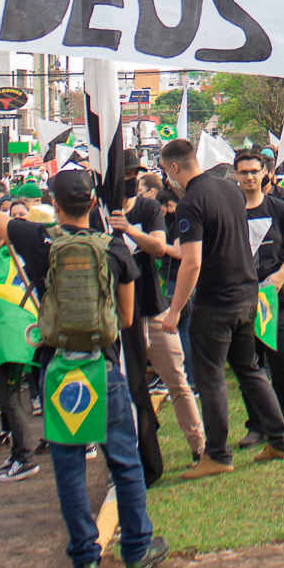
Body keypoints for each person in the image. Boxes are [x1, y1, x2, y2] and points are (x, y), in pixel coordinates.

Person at [0, 133, 170, 568]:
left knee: (70, 469)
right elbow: (129, 318)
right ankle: (136, 552)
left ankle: (84, 561)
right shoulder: (114, 247)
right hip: (104, 369)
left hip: (59, 371)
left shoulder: (38, 239)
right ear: (92, 201)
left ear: (53, 204)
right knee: (124, 463)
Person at [156, 137, 284, 477]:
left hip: (215, 301)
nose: (167, 179)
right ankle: (281, 439)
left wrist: (173, 311)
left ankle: (217, 454)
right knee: (248, 369)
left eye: (165, 171)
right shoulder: (230, 190)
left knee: (212, 377)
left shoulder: (191, 202)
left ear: (174, 168)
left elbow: (191, 264)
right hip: (246, 295)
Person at [111, 166, 206, 461]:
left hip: (152, 309)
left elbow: (159, 248)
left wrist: (128, 229)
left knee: (177, 380)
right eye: (125, 177)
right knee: (124, 387)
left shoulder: (147, 207)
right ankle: (132, 453)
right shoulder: (95, 215)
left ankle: (199, 446)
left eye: (133, 178)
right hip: (115, 318)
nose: (130, 183)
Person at [232, 152, 284, 445]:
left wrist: (280, 276)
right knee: (249, 364)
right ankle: (257, 425)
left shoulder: (280, 208)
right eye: (244, 172)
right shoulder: (230, 211)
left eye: (254, 171)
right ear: (236, 175)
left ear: (265, 171)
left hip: (277, 298)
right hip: (241, 299)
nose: (250, 177)